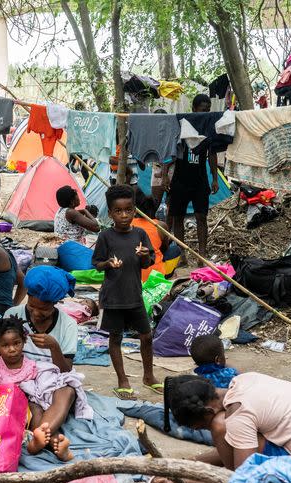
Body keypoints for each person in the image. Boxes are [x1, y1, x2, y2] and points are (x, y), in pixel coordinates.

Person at [165, 373, 291, 471]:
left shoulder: (238, 415)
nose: (208, 432)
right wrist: (188, 464)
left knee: (220, 425)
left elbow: (243, 481)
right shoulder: (244, 380)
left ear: (208, 411)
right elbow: (239, 446)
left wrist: (184, 481)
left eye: (202, 427)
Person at [0, 316, 91, 462]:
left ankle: (42, 443)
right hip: (7, 408)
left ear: (24, 342)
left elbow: (44, 383)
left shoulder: (30, 364)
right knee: (35, 416)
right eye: (5, 345)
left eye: (16, 343)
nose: (12, 349)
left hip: (29, 404)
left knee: (38, 414)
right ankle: (51, 445)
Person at [92, 185, 163, 400]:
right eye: (118, 211)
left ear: (134, 211)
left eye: (128, 210)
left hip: (134, 295)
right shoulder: (106, 236)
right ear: (111, 213)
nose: (124, 215)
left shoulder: (140, 234)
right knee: (115, 338)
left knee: (147, 336)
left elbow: (147, 262)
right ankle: (122, 380)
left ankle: (148, 376)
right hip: (112, 298)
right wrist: (108, 264)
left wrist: (143, 255)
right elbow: (96, 264)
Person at [160, 95, 219, 267]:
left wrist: (215, 178)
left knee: (202, 217)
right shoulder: (182, 126)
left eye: (208, 109)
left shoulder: (208, 128)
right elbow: (170, 152)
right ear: (194, 108)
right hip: (180, 180)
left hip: (200, 181)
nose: (206, 112)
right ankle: (182, 254)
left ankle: (202, 256)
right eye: (203, 109)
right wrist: (164, 175)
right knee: (177, 217)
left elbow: (212, 154)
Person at [131, 191, 172, 281]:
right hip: (156, 274)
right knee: (174, 250)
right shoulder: (160, 225)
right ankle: (169, 275)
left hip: (134, 275)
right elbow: (165, 248)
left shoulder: (129, 224)